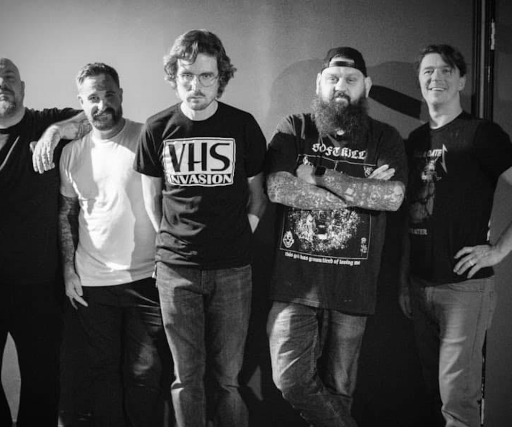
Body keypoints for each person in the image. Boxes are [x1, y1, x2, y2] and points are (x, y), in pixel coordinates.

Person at [265, 47, 407, 427]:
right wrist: (360, 191)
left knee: (340, 390)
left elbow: (391, 198)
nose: (340, 86)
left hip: (353, 287)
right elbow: (278, 188)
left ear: (366, 86)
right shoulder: (295, 127)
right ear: (319, 83)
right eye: (332, 78)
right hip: (295, 286)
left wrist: (318, 176)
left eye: (350, 79)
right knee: (290, 380)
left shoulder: (385, 137)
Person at [135, 29, 267, 427]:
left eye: (206, 75)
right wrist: (174, 241)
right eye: (187, 75)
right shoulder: (157, 128)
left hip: (233, 270)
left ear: (220, 78)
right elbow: (152, 199)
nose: (196, 85)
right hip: (176, 272)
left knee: (228, 379)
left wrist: (238, 234)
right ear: (174, 76)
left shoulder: (242, 125)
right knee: (186, 377)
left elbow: (258, 197)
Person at [0, 55, 86, 427]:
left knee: (43, 384)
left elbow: (94, 116)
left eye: (9, 76)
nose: (1, 83)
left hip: (40, 289)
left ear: (22, 87)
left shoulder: (44, 122)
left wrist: (55, 132)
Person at [398, 44, 512, 427]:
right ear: (419, 81)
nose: (437, 78)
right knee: (433, 396)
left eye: (447, 70)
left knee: (457, 403)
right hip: (419, 286)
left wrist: (497, 251)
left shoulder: (482, 134)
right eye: (428, 71)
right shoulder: (414, 141)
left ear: (462, 80)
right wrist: (403, 280)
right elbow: (408, 214)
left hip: (464, 289)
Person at [58, 62, 171, 427]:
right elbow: (66, 214)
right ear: (81, 102)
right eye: (93, 97)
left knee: (146, 375)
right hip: (93, 283)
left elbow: (173, 201)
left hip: (147, 278)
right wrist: (68, 270)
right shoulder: (72, 153)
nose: (102, 104)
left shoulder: (147, 137)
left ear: (121, 95)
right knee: (102, 372)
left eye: (109, 94)